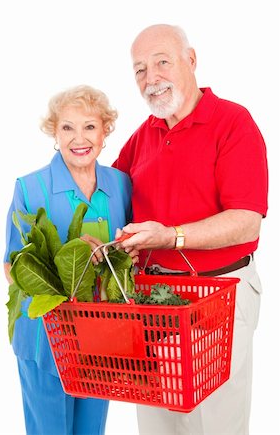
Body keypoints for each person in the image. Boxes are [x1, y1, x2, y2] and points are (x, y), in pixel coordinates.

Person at [113, 24, 268, 435]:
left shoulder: (232, 122)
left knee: (218, 424)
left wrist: (171, 236)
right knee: (159, 424)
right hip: (154, 300)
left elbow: (245, 220)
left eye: (162, 62)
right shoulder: (143, 136)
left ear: (191, 60)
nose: (151, 78)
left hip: (221, 296)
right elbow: (109, 200)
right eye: (140, 70)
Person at [4, 84, 136, 435]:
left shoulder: (121, 185)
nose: (79, 138)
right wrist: (68, 257)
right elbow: (12, 267)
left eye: (90, 126)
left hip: (101, 342)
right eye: (68, 127)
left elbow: (132, 254)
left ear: (105, 131)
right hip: (45, 341)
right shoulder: (30, 188)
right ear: (55, 133)